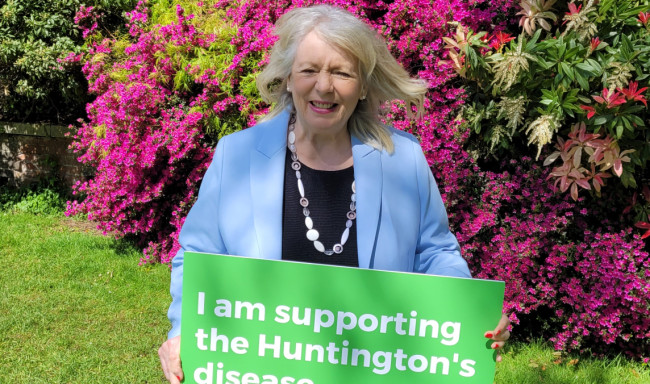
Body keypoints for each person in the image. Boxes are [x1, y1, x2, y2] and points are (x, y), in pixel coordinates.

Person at [158, 5, 510, 383]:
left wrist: (468, 315)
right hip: (263, 371)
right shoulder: (238, 155)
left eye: (341, 73)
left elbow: (435, 252)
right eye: (309, 70)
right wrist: (183, 331)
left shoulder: (402, 158)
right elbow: (197, 256)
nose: (323, 87)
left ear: (362, 87)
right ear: (289, 78)